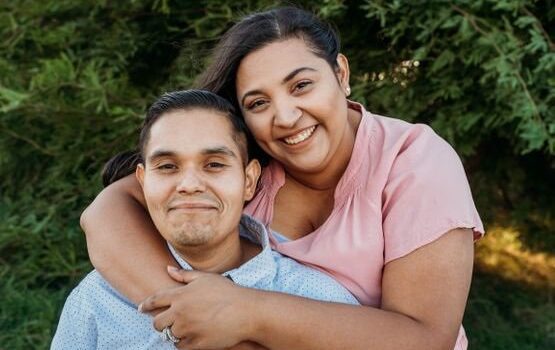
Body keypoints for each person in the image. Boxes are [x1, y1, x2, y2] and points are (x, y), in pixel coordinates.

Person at [81, 7, 484, 350]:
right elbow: (107, 213)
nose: (286, 117)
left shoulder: (414, 162)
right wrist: (187, 312)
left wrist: (246, 313)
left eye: (302, 85)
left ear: (341, 73)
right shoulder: (242, 165)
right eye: (258, 103)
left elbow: (427, 339)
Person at [52, 90, 358, 349]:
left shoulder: (318, 298)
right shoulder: (95, 300)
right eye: (168, 166)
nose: (189, 184)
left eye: (213, 164)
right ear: (143, 182)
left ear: (249, 180)